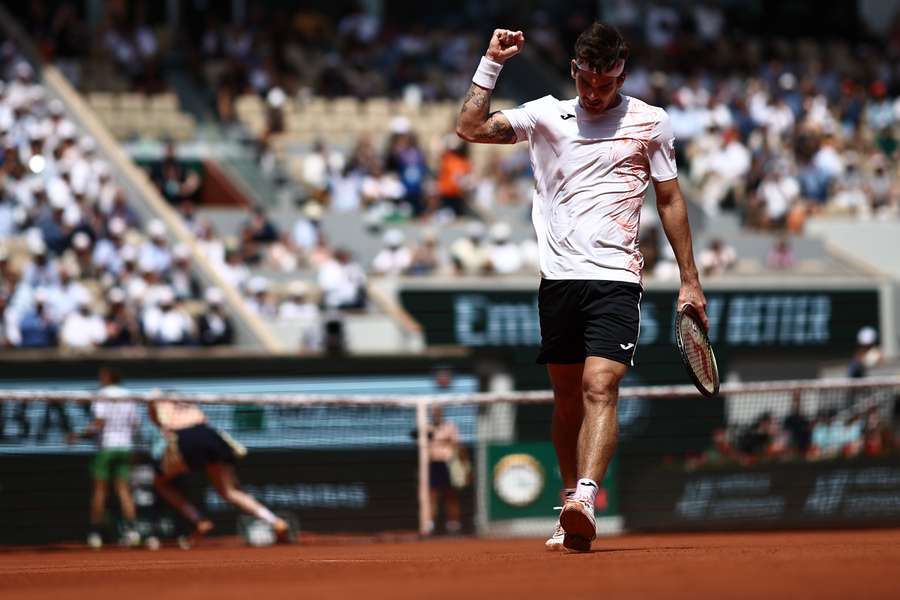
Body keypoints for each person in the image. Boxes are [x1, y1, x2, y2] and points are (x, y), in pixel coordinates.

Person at [456, 23, 707, 552]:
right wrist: (491, 62)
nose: (597, 93)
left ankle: (588, 497)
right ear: (575, 71)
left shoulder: (651, 123)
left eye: (607, 84)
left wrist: (690, 280)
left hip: (616, 278)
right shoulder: (546, 113)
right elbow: (470, 127)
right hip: (558, 280)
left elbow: (669, 200)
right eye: (589, 82)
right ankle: (569, 500)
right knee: (567, 400)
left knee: (600, 386)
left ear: (622, 75)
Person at [148, 396, 290, 543]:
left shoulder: (154, 400)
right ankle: (275, 521)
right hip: (210, 436)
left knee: (160, 483)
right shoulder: (187, 401)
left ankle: (199, 520)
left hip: (184, 439)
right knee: (230, 491)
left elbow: (160, 424)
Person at [67, 367, 141, 548]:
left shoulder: (101, 394)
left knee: (100, 491)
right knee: (124, 491)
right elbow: (135, 424)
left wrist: (78, 435)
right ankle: (133, 532)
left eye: (101, 376)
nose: (99, 379)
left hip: (107, 448)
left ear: (108, 377)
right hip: (126, 447)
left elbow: (99, 422)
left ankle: (95, 534)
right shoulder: (129, 395)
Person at [426, 405, 463, 535]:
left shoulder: (450, 427)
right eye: (434, 412)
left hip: (448, 464)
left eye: (438, 412)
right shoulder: (427, 428)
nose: (436, 414)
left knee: (451, 495)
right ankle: (429, 525)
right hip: (432, 465)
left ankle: (454, 524)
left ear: (442, 413)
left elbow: (457, 445)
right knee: (432, 495)